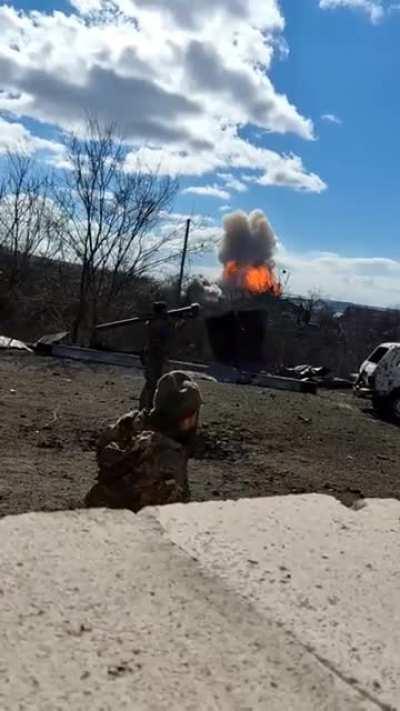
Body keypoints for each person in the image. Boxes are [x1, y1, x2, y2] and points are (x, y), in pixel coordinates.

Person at [84, 371, 202, 512]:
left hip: (97, 504)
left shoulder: (130, 422)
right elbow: (176, 506)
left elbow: (102, 448)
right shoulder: (170, 454)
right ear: (186, 419)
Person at [139, 301, 174, 411]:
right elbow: (166, 333)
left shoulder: (156, 322)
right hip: (153, 355)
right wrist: (171, 322)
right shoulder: (156, 323)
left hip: (156, 355)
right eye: (164, 310)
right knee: (152, 382)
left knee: (153, 381)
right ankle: (146, 406)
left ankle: (146, 406)